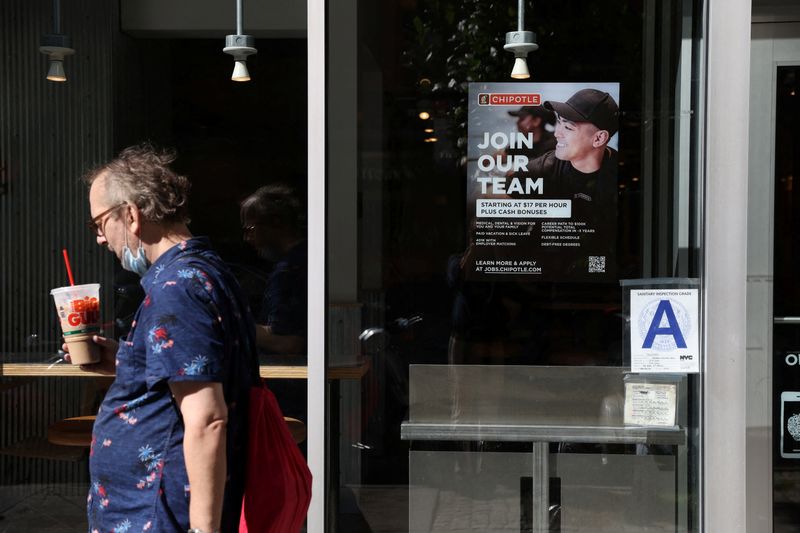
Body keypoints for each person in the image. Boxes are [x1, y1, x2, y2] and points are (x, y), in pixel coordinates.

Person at [69, 144, 258, 533]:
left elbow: (207, 418)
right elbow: (191, 374)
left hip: (156, 512)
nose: (101, 239)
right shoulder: (203, 271)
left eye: (99, 224)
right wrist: (127, 362)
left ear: (132, 215)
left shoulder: (177, 287)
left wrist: (204, 529)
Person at [240, 185, 307, 355]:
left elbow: (288, 342)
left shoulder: (288, 272)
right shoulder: (306, 259)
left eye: (250, 229)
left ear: (275, 223)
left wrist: (230, 325)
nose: (247, 238)